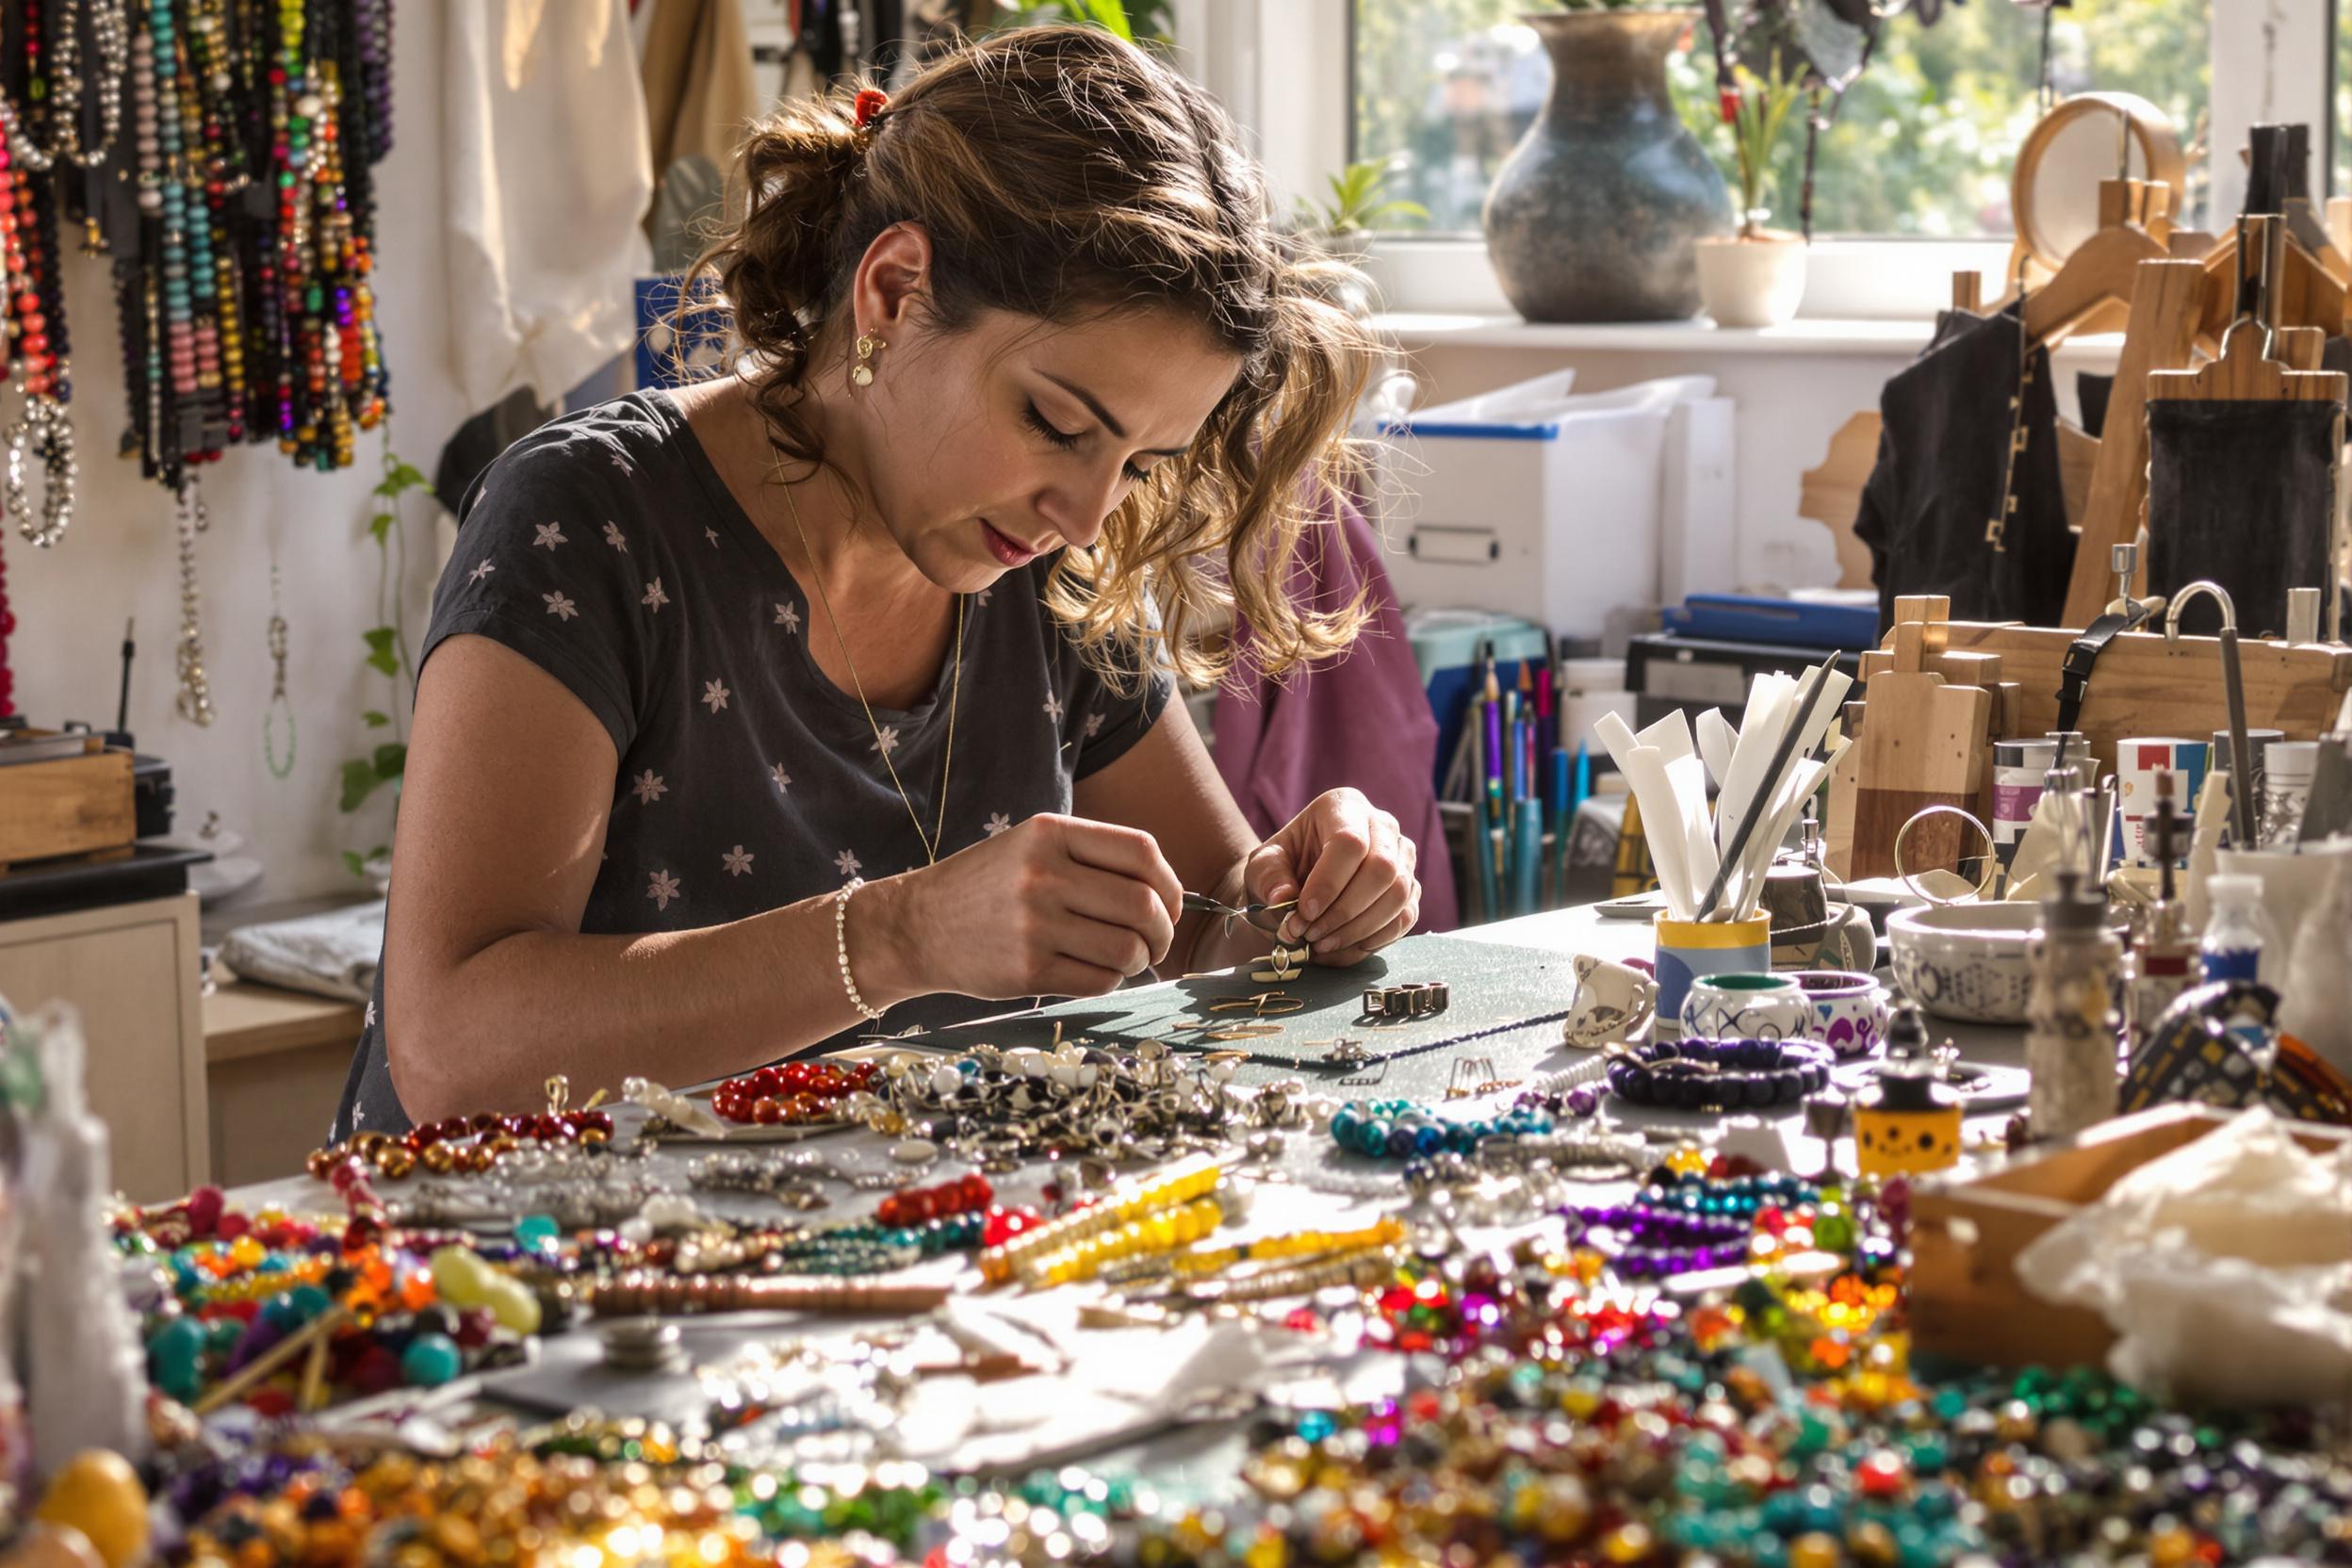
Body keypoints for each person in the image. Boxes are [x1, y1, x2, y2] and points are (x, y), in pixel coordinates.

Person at [334, 25, 1421, 1137]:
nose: (1086, 513)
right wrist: (900, 934)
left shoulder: (1046, 564)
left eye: (1141, 461)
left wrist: (1311, 899)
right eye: (1054, 422)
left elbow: (1207, 925)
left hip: (852, 1266)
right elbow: (452, 1050)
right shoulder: (589, 518)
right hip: (496, 1276)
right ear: (894, 291)